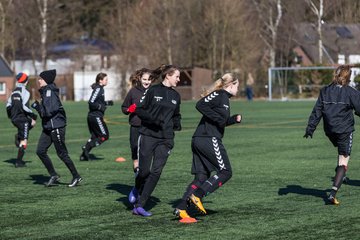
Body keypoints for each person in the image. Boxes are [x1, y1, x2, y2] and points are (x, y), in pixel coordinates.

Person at [173, 73, 242, 223]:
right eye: (237, 85)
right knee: (225, 172)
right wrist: (219, 118)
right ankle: (198, 195)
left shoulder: (224, 99)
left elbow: (220, 121)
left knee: (201, 177)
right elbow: (200, 105)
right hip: (208, 138)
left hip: (201, 138)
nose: (238, 89)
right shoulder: (219, 94)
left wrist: (232, 119)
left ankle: (181, 207)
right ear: (230, 85)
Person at [128, 64, 182, 217]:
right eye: (176, 76)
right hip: (148, 135)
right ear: (168, 76)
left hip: (166, 139)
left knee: (156, 171)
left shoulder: (176, 96)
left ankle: (139, 205)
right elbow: (140, 109)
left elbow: (176, 114)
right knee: (144, 171)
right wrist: (154, 120)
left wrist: (177, 123)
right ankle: (137, 188)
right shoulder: (152, 90)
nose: (179, 79)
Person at [304, 64, 360, 205]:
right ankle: (332, 194)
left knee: (341, 153)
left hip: (329, 131)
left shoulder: (325, 90)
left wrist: (310, 128)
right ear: (348, 76)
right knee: (344, 158)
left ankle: (341, 175)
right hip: (344, 131)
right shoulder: (350, 92)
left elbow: (317, 110)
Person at [31, 69, 82, 187]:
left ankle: (76, 176)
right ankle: (53, 175)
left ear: (46, 80)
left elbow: (48, 112)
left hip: (56, 126)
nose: (39, 80)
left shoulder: (49, 92)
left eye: (41, 79)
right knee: (40, 151)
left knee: (62, 153)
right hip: (49, 126)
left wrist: (37, 107)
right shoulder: (45, 91)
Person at [121, 68, 153, 173]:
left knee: (146, 150)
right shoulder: (133, 91)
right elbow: (124, 108)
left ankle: (145, 170)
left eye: (149, 79)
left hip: (149, 127)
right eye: (144, 79)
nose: (147, 82)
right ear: (139, 78)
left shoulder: (154, 91)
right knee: (135, 148)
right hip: (135, 126)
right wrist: (129, 109)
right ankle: (136, 167)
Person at [80, 72, 113, 161]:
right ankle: (86, 147)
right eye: (106, 80)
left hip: (93, 116)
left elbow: (97, 101)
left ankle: (84, 156)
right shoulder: (99, 89)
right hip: (95, 117)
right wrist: (100, 107)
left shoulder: (100, 89)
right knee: (104, 136)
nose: (107, 81)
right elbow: (91, 102)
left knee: (94, 137)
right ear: (100, 80)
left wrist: (106, 103)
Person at [6, 72, 37, 168]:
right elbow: (24, 107)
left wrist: (10, 116)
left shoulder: (14, 92)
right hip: (22, 119)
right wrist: (33, 116)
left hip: (14, 119)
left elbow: (8, 105)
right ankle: (19, 162)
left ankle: (19, 136)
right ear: (26, 81)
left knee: (27, 127)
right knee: (24, 140)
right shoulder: (26, 92)